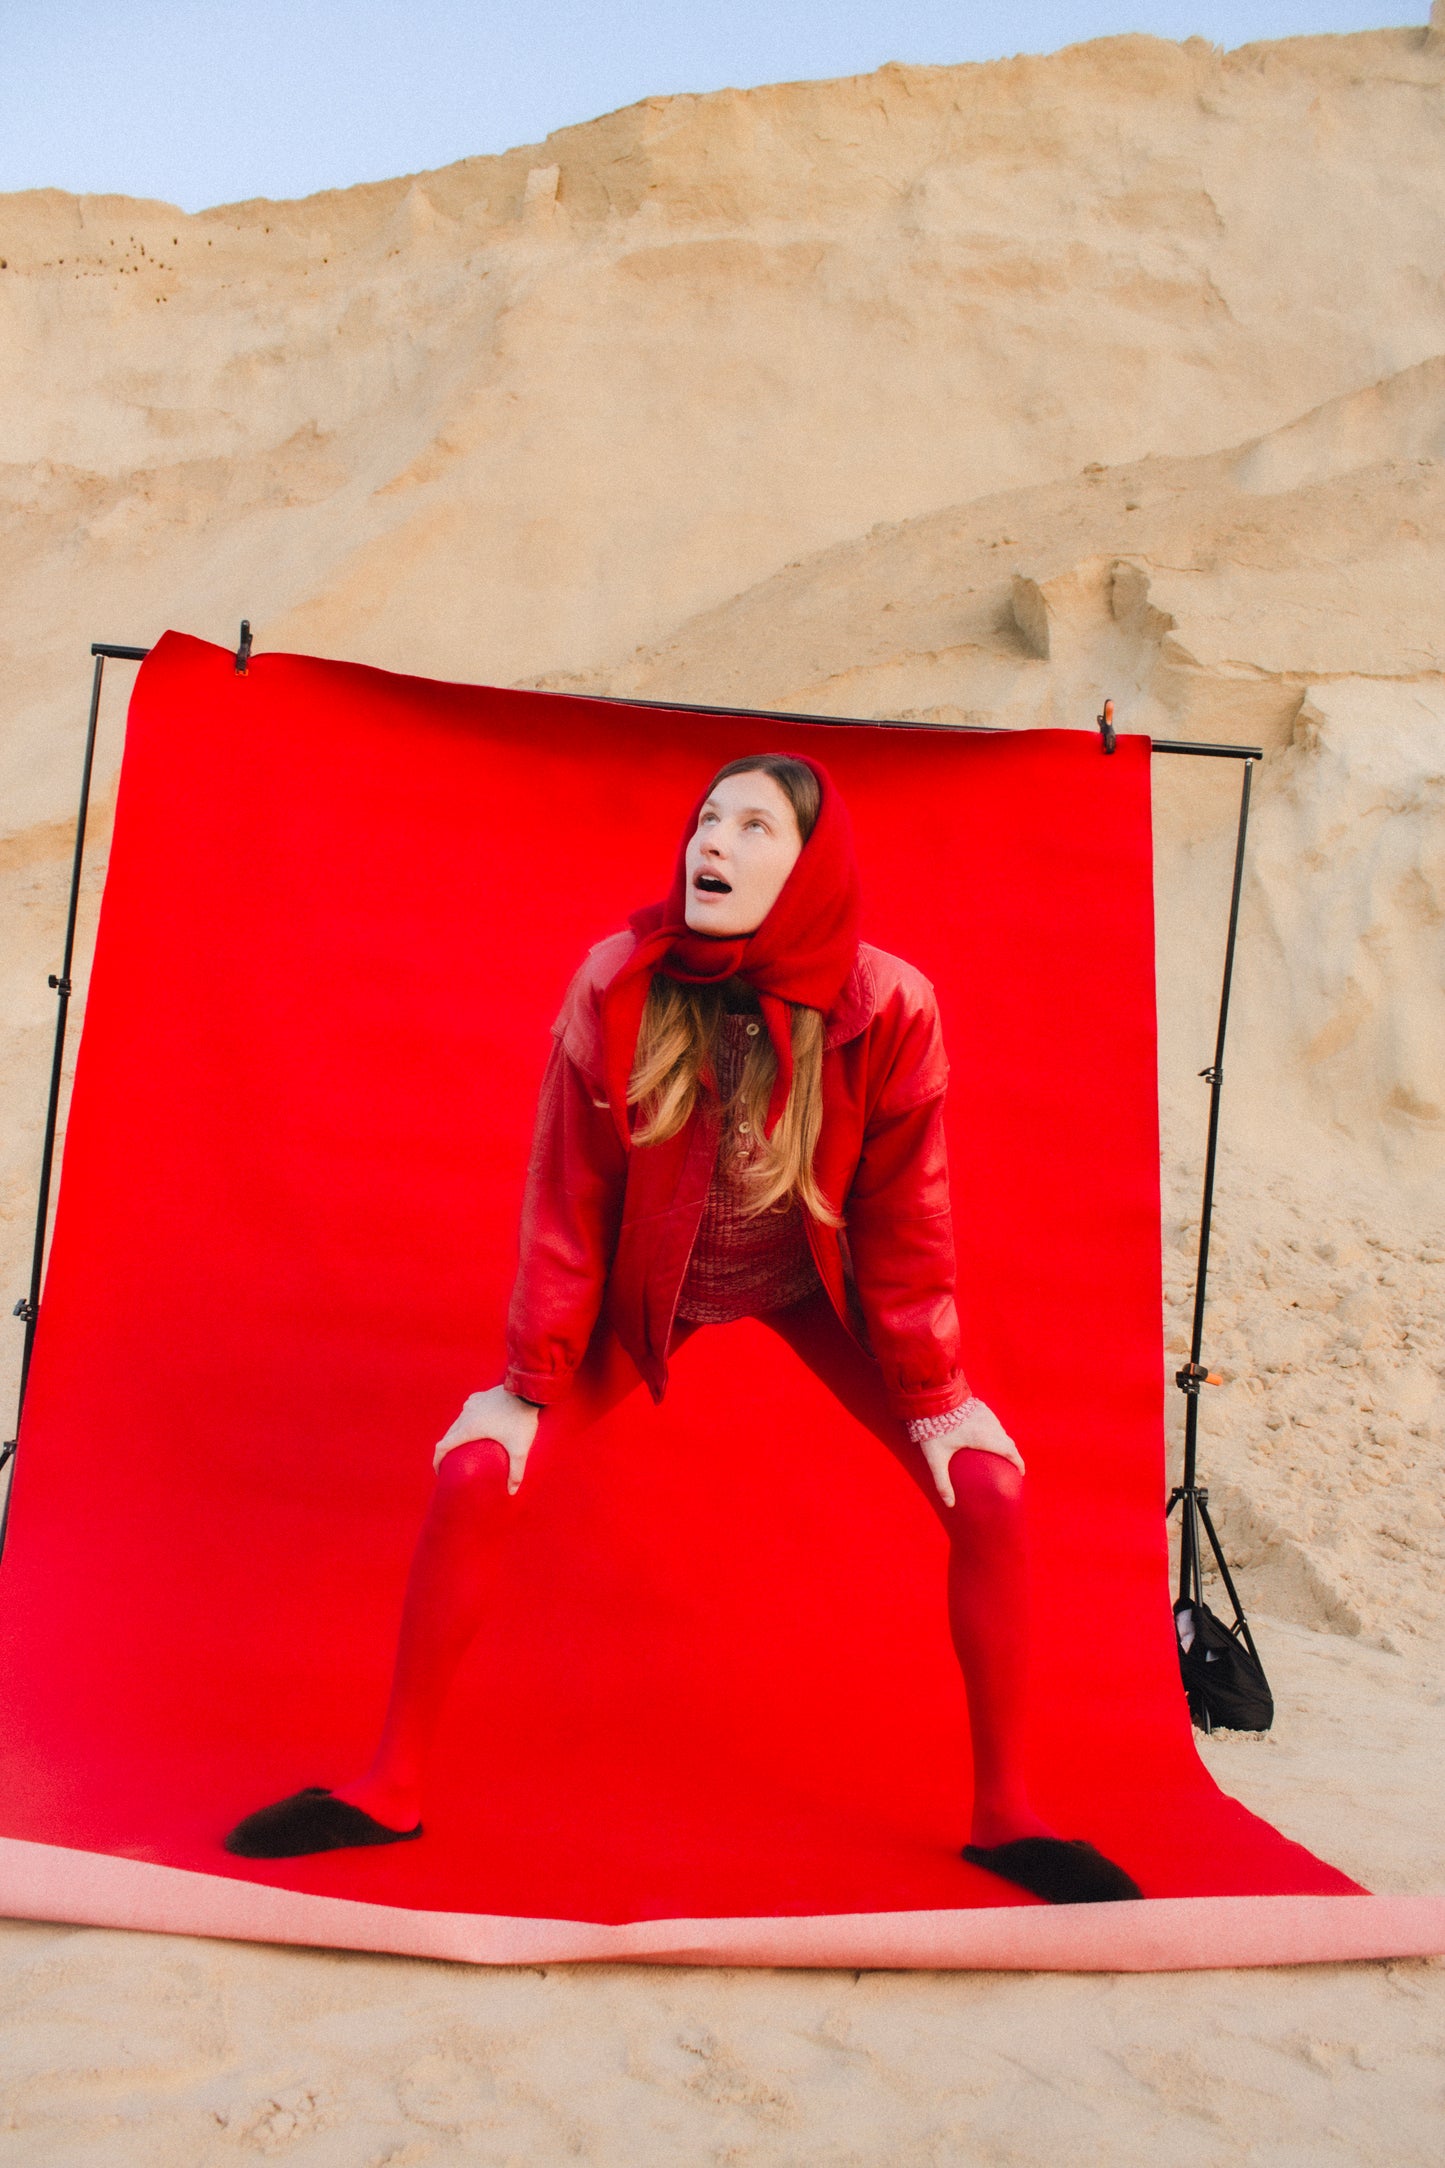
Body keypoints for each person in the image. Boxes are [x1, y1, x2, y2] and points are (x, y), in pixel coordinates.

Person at [226, 752, 1140, 1905]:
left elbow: (909, 1217)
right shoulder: (617, 982)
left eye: (754, 826)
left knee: (989, 1489)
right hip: (646, 1283)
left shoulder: (892, 1004)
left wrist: (936, 1397)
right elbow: (568, 1202)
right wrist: (525, 1383)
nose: (713, 840)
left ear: (809, 867)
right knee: (474, 1469)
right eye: (707, 818)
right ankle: (387, 1786)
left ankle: (1007, 1814)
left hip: (814, 1281)